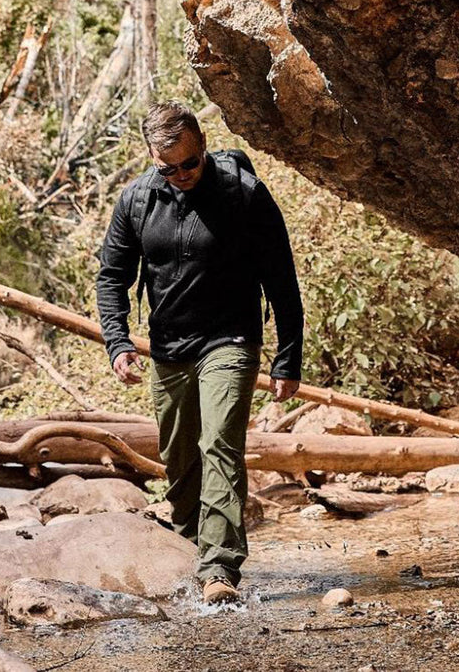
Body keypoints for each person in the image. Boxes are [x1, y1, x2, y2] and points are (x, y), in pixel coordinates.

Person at [95, 100, 304, 605]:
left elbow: (281, 279)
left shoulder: (244, 195)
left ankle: (219, 568)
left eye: (190, 163)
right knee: (178, 454)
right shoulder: (138, 200)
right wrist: (118, 341)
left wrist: (288, 356)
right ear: (153, 159)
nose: (183, 174)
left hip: (230, 340)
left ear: (203, 147)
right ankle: (192, 542)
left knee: (220, 445)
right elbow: (111, 277)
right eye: (170, 168)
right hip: (170, 346)